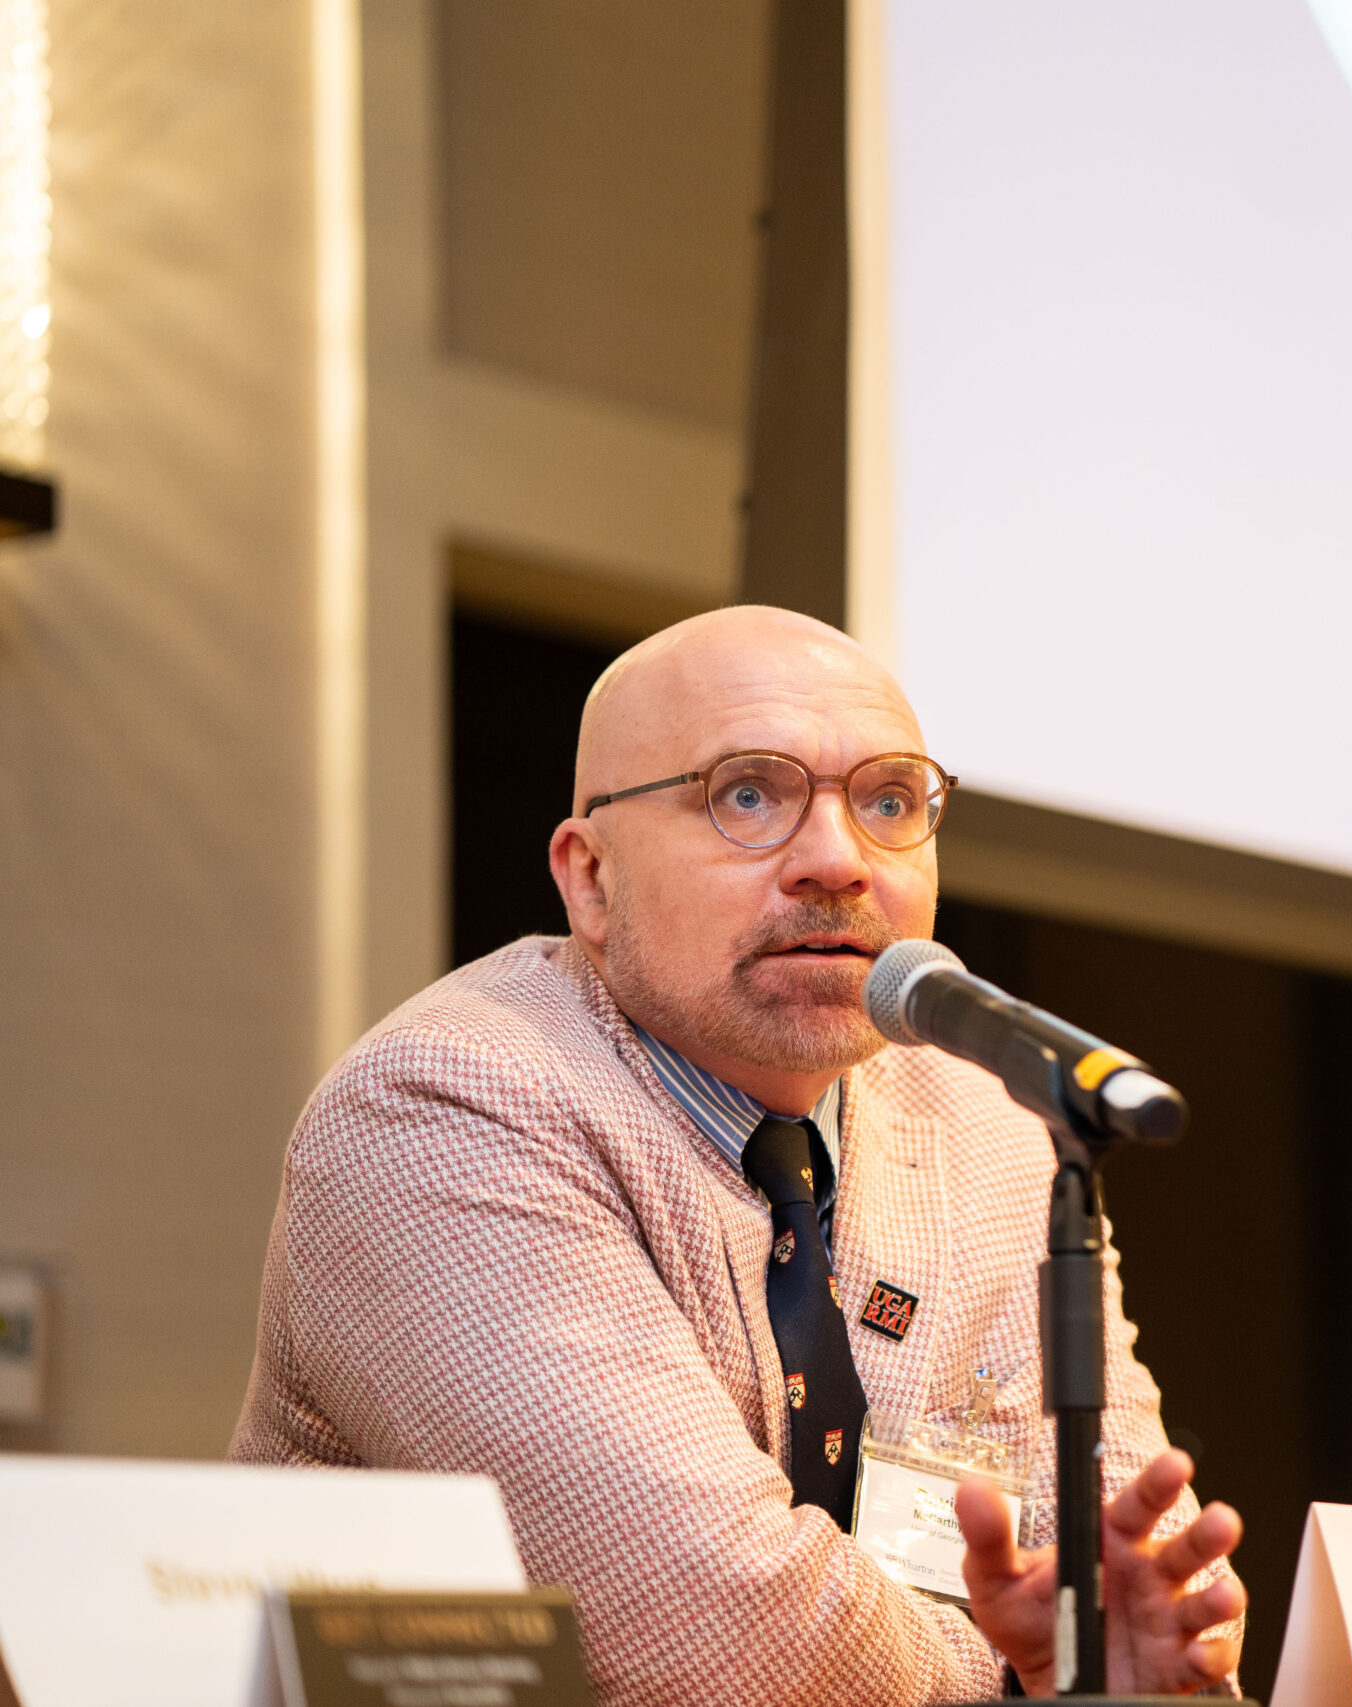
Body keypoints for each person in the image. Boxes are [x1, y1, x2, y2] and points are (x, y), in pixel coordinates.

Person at [231, 605, 1246, 1704]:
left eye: (889, 802)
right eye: (747, 795)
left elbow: (1142, 1589)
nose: (836, 862)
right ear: (590, 879)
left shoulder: (992, 1125)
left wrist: (1131, 1669)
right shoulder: (448, 1104)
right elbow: (723, 1645)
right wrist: (1031, 1682)